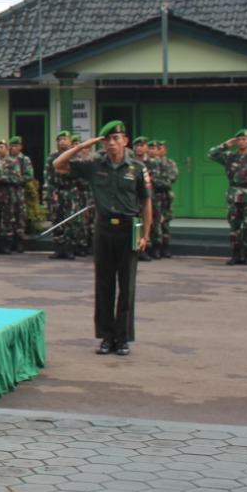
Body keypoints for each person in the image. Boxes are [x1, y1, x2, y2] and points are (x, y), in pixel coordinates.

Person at [53, 120, 151, 356]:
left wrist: (146, 235)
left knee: (126, 287)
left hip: (128, 228)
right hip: (104, 229)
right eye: (107, 140)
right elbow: (58, 164)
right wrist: (82, 146)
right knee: (104, 285)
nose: (111, 143)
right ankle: (107, 337)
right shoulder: (94, 165)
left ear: (125, 141)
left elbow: (146, 202)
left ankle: (123, 338)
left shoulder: (137, 169)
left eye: (116, 139)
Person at [209, 129, 247, 266]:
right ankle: (235, 255)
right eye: (239, 139)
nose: (241, 142)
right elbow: (211, 154)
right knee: (234, 227)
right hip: (234, 194)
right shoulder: (230, 156)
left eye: (244, 139)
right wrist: (227, 144)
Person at [45, 131, 74, 259]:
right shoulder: (52, 158)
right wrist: (50, 194)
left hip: (71, 192)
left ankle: (69, 248)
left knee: (70, 220)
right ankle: (58, 247)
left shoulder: (74, 157)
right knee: (57, 219)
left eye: (65, 139)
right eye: (60, 139)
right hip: (56, 191)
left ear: (70, 142)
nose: (62, 141)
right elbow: (47, 177)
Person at [148, 140, 178, 258]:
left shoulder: (169, 163)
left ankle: (164, 247)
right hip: (153, 196)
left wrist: (158, 183)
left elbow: (172, 178)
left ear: (165, 150)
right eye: (155, 148)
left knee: (165, 222)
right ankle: (154, 246)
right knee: (154, 222)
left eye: (160, 148)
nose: (158, 150)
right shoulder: (148, 163)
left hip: (165, 196)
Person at [9, 136, 34, 254]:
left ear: (20, 147)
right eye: (12, 146)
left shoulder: (24, 160)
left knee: (19, 217)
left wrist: (16, 180)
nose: (14, 148)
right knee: (8, 217)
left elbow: (29, 175)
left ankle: (19, 242)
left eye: (16, 146)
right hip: (7, 193)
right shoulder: (6, 159)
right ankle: (8, 242)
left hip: (19, 192)